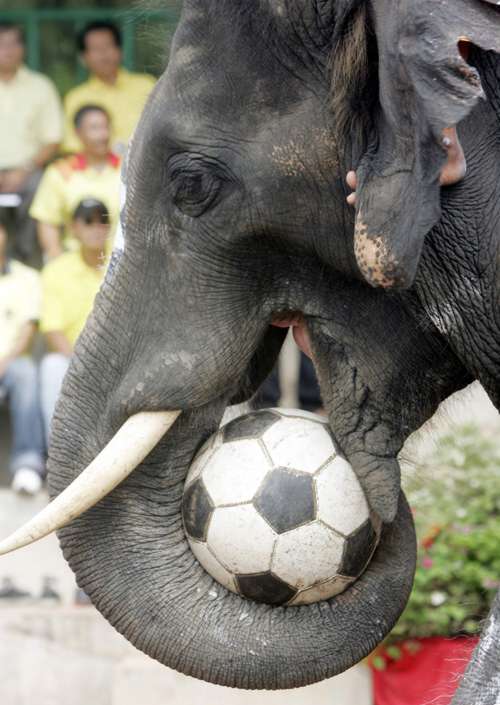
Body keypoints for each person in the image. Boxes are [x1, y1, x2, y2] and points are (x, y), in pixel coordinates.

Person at [39, 199, 109, 446]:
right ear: (74, 228)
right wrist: (81, 364)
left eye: (103, 220)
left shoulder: (122, 266)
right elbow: (52, 329)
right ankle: (57, 452)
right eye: (88, 221)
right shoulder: (56, 270)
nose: (96, 228)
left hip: (117, 359)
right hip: (72, 359)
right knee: (51, 365)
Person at [0, 22, 63, 262]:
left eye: (13, 43)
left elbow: (53, 140)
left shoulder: (41, 86)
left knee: (41, 188)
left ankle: (30, 261)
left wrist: (23, 170)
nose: (7, 50)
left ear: (23, 48)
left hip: (29, 170)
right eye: (1, 43)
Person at [30, 105, 120, 260]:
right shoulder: (60, 172)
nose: (103, 135)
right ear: (78, 133)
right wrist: (57, 263)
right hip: (75, 262)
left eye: (106, 127)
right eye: (95, 128)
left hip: (125, 261)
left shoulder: (129, 170)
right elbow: (47, 222)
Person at [63, 21, 156, 155]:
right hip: (97, 172)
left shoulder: (147, 85)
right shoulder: (76, 98)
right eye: (95, 48)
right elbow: (72, 145)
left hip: (147, 165)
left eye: (108, 46)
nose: (103, 54)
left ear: (120, 50)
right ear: (83, 58)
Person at [0, 220, 45, 495]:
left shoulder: (27, 277)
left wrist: (4, 362)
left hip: (11, 364)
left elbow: (29, 328)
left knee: (26, 371)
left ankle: (27, 465)